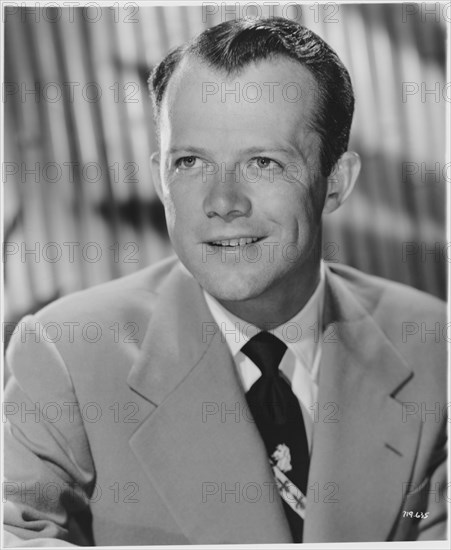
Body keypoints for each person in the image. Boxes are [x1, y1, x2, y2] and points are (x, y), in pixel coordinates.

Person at [3, 17, 447, 546]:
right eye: (190, 162)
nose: (223, 203)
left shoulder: (433, 348)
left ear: (336, 182)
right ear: (160, 179)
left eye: (263, 163)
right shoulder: (67, 354)